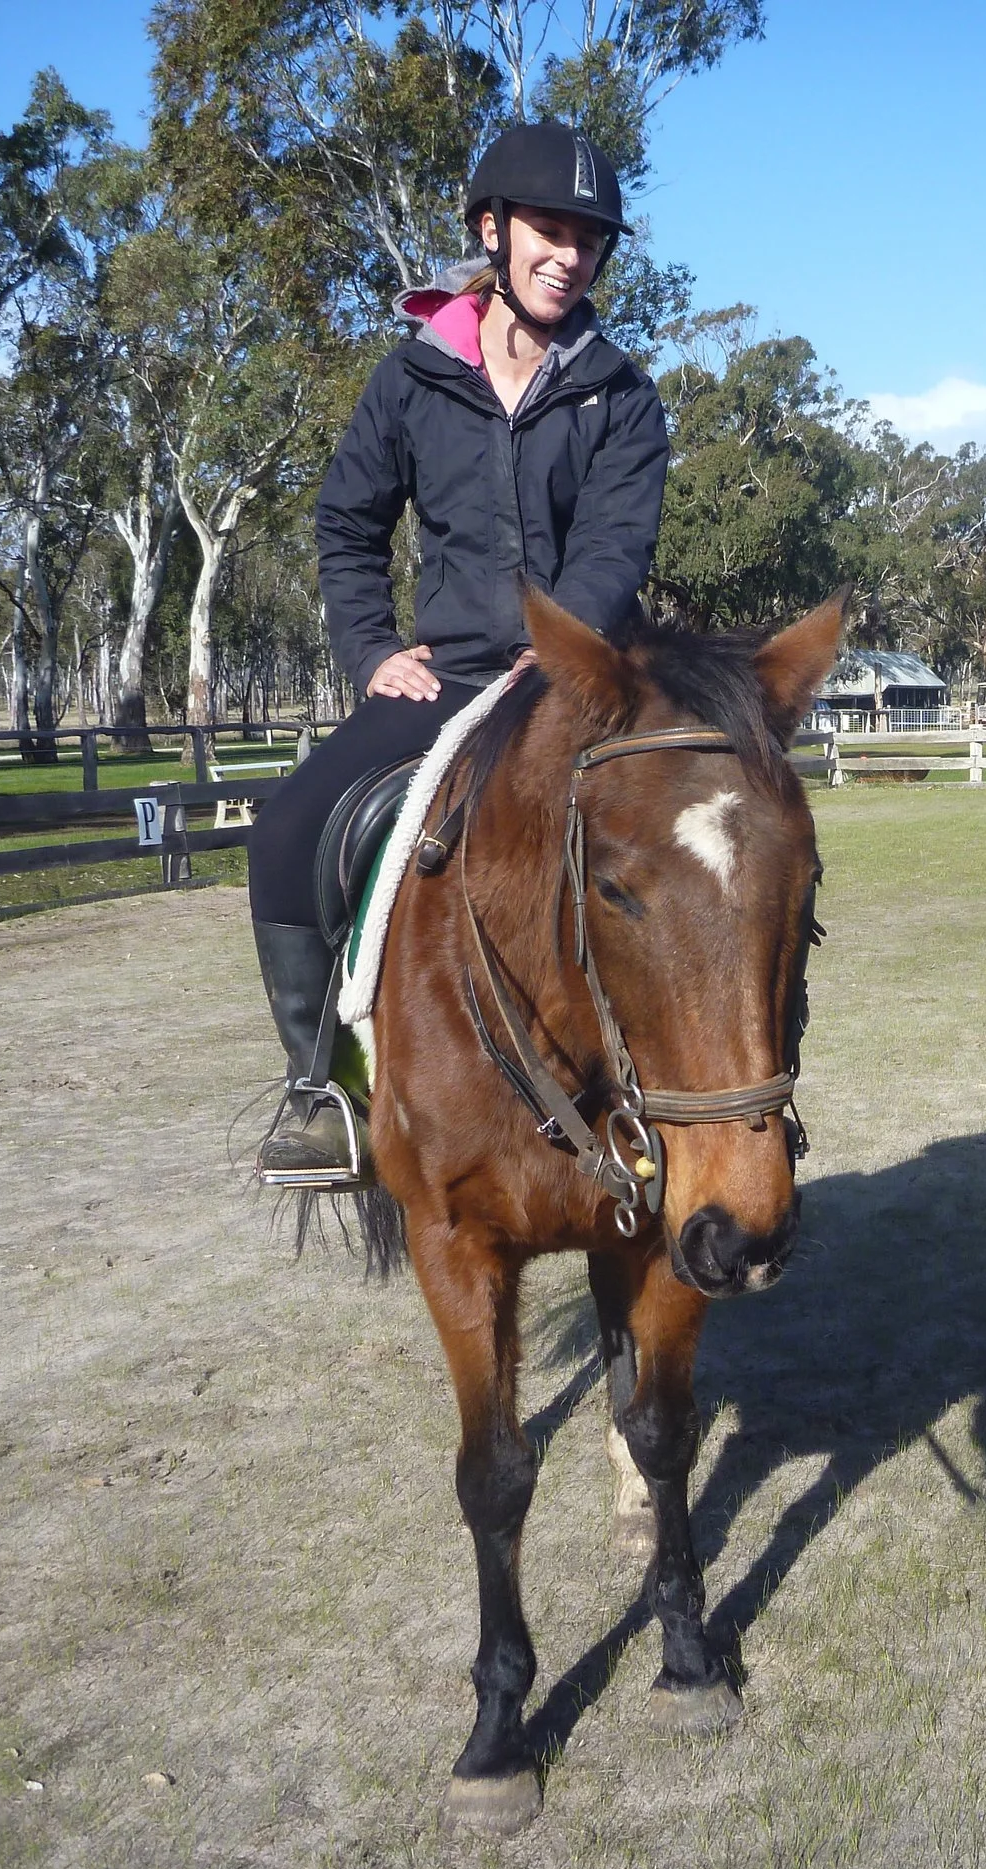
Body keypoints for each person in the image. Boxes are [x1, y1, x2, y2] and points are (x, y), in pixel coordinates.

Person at [248, 120, 672, 1184]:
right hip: (445, 682)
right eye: (548, 228)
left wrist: (560, 652)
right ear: (492, 229)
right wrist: (370, 649)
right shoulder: (410, 379)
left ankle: (697, 1089)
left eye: (588, 237)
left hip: (578, 681)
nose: (569, 253)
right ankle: (323, 1092)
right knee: (286, 827)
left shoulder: (621, 394)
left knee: (706, 842)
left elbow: (616, 549)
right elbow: (346, 526)